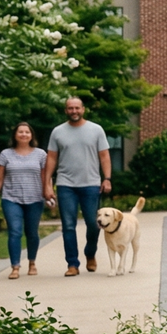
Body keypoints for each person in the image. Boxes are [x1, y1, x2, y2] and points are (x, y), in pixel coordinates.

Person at [42, 96, 111, 277]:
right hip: (66, 185)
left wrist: (107, 178)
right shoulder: (58, 132)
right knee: (68, 226)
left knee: (93, 224)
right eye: (70, 108)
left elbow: (104, 156)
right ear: (66, 110)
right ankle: (72, 263)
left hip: (91, 183)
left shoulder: (96, 130)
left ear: (83, 109)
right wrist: (47, 184)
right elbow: (51, 158)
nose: (74, 111)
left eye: (77, 108)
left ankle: (90, 254)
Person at [0, 121, 46, 278]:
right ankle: (15, 266)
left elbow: (45, 177)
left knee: (32, 233)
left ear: (31, 135)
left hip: (35, 198)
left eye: (27, 132)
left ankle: (32, 262)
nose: (24, 134)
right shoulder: (6, 154)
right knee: (14, 231)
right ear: (15, 135)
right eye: (20, 132)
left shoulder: (41, 154)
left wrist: (49, 194)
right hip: (11, 198)